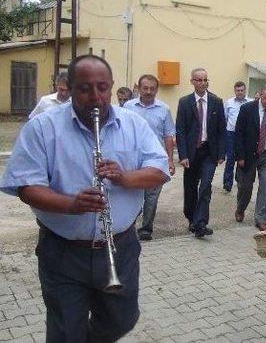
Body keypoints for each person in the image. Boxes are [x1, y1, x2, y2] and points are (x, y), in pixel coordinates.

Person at [0, 55, 170, 342]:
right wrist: (71, 205)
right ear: (69, 87)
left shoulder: (133, 124)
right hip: (63, 252)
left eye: (102, 88)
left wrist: (124, 177)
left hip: (121, 246)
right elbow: (26, 187)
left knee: (122, 320)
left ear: (112, 86)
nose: (96, 97)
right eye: (85, 88)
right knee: (66, 332)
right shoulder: (42, 127)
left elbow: (160, 170)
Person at [123, 74, 176, 241]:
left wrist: (169, 160)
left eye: (152, 88)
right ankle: (127, 225)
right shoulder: (128, 107)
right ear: (138, 88)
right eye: (145, 88)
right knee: (132, 193)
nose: (148, 91)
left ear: (156, 90)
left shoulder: (164, 109)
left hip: (155, 160)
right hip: (132, 159)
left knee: (152, 196)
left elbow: (168, 136)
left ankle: (146, 228)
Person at [175, 68, 226, 238]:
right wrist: (183, 155)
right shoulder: (184, 102)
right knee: (190, 189)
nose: (203, 83)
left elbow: (221, 130)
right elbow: (180, 130)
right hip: (191, 152)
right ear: (192, 82)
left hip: (208, 152)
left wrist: (221, 153)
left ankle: (201, 223)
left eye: (205, 80)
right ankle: (192, 218)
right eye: (199, 80)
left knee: (205, 186)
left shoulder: (216, 102)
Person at [234, 84, 266, 230]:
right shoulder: (247, 109)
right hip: (249, 154)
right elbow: (239, 133)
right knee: (245, 187)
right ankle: (240, 208)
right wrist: (240, 156)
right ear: (260, 95)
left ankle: (261, 219)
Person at [223, 81, 252, 193]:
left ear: (245, 90)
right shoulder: (229, 103)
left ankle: (239, 180)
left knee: (242, 158)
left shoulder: (250, 103)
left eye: (242, 90)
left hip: (245, 135)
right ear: (235, 91)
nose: (240, 92)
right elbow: (225, 119)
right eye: (238, 90)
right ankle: (227, 183)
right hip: (231, 134)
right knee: (230, 158)